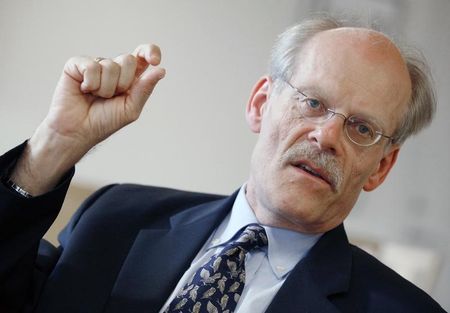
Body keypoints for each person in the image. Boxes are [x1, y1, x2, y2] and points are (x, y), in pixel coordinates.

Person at [0, 14, 446, 313]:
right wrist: (52, 147)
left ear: (382, 167)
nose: (326, 137)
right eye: (312, 102)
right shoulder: (117, 218)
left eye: (362, 129)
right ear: (260, 103)